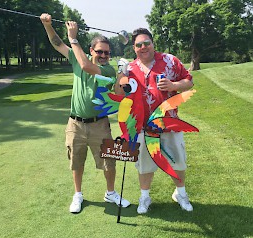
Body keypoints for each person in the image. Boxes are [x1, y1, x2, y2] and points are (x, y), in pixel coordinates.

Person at [40, 13, 130, 214]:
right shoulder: (77, 56)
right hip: (76, 124)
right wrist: (47, 25)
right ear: (91, 50)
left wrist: (73, 39)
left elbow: (86, 66)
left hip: (99, 124)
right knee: (76, 160)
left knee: (109, 161)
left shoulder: (107, 71)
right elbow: (57, 44)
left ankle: (110, 192)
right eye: (100, 52)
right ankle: (78, 194)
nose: (105, 56)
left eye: (107, 53)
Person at [116, 28, 194, 214]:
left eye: (146, 43)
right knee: (144, 165)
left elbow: (189, 81)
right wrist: (121, 73)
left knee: (178, 161)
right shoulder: (131, 68)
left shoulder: (169, 60)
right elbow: (120, 94)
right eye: (139, 45)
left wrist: (174, 85)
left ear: (153, 43)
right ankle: (145, 197)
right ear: (134, 48)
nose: (143, 47)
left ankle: (180, 193)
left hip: (169, 123)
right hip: (142, 126)